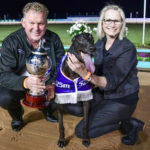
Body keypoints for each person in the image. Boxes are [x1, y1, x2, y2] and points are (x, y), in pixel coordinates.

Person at [65, 5, 145, 145]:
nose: (112, 25)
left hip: (121, 99)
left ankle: (126, 123)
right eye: (108, 20)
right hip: (103, 94)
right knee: (76, 107)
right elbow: (93, 68)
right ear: (102, 23)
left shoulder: (127, 49)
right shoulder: (100, 43)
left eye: (116, 21)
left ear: (122, 24)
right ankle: (109, 116)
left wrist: (84, 73)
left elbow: (110, 83)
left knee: (81, 131)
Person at [0, 2, 65, 131]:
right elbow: (3, 75)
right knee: (3, 97)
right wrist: (25, 82)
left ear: (46, 23)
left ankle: (47, 110)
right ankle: (17, 117)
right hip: (20, 83)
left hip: (46, 84)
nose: (36, 28)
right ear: (23, 22)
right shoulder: (11, 42)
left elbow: (61, 65)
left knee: (61, 90)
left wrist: (53, 83)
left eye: (40, 23)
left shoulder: (54, 39)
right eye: (31, 23)